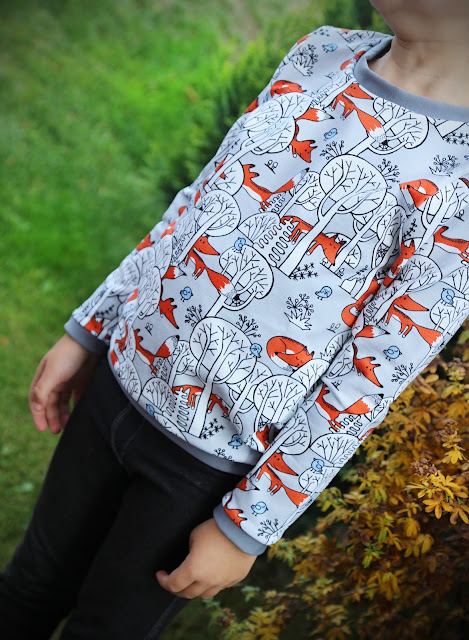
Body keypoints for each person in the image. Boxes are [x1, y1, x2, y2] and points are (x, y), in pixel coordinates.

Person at [1, 0, 469, 637]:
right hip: (117, 381)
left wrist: (246, 526)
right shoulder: (321, 53)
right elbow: (198, 202)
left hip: (200, 469)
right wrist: (92, 327)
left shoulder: (459, 182)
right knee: (29, 583)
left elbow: (368, 379)